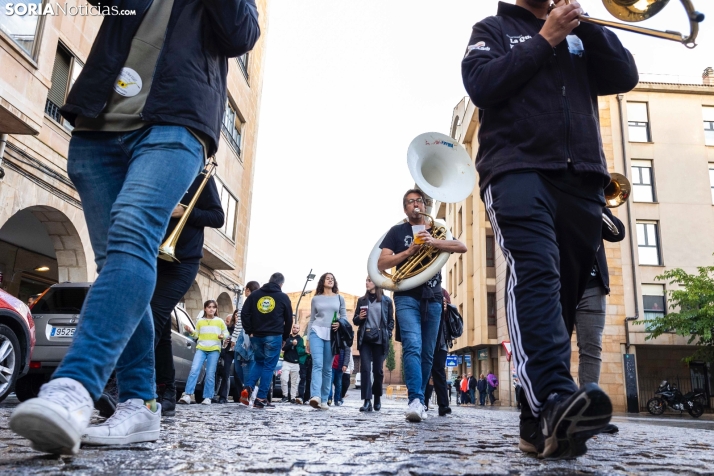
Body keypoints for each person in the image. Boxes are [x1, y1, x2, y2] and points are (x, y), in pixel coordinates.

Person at [10, 0, 260, 455]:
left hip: (176, 121)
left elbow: (241, 34)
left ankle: (73, 387)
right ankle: (139, 404)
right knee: (117, 269)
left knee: (129, 239)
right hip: (98, 123)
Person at [461, 0, 638, 459]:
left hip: (582, 179)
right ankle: (558, 396)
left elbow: (624, 75)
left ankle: (536, 427)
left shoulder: (583, 32)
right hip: (516, 170)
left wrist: (584, 26)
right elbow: (482, 85)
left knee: (560, 301)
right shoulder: (493, 28)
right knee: (536, 276)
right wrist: (545, 39)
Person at [378, 189, 467, 423]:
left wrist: (434, 241)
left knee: (428, 353)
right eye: (410, 202)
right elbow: (382, 263)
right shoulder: (397, 232)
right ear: (405, 208)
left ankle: (422, 401)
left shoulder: (437, 228)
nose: (416, 204)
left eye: (419, 200)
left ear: (425, 205)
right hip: (406, 295)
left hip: (434, 297)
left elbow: (462, 247)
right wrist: (409, 251)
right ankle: (415, 400)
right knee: (413, 346)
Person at [575, 207, 625, 434]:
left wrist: (596, 202)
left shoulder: (592, 205)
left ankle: (589, 415)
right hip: (559, 286)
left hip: (592, 289)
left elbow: (618, 232)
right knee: (554, 348)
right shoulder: (554, 193)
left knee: (592, 350)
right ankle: (553, 410)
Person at [240, 273, 293, 409]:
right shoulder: (283, 297)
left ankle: (248, 387)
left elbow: (244, 313)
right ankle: (261, 397)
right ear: (281, 284)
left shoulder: (255, 295)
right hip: (274, 336)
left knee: (259, 362)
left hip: (256, 336)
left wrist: (249, 330)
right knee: (269, 366)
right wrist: (285, 338)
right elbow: (289, 320)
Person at [353, 276, 394, 413]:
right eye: (366, 280)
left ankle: (377, 397)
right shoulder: (361, 300)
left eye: (369, 280)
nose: (367, 282)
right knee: (365, 369)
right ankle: (366, 401)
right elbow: (355, 320)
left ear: (376, 282)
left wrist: (388, 334)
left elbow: (390, 321)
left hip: (379, 339)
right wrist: (360, 318)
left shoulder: (386, 301)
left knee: (378, 371)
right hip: (365, 338)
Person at [306, 273, 347, 410]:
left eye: (332, 279)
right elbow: (312, 319)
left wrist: (340, 324)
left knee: (328, 368)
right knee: (317, 364)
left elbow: (344, 317)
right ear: (322, 281)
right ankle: (315, 396)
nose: (330, 280)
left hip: (332, 334)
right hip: (316, 332)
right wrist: (307, 339)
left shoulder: (339, 298)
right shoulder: (316, 299)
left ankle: (324, 400)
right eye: (328, 278)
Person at [177, 300, 228, 405]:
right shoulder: (200, 321)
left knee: (210, 373)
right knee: (194, 370)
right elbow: (196, 335)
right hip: (201, 348)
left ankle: (208, 397)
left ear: (216, 309)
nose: (211, 309)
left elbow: (226, 332)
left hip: (214, 349)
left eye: (214, 307)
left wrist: (223, 336)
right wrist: (191, 331)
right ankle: (187, 394)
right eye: (209, 307)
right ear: (205, 308)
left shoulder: (219, 321)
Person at [232, 281, 260, 391]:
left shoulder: (257, 303)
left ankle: (249, 390)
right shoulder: (245, 303)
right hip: (241, 337)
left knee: (250, 365)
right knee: (239, 367)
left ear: (247, 290)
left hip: (253, 338)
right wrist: (234, 338)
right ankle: (250, 388)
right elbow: (239, 323)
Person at [429, 288, 453, 416]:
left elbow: (450, 317)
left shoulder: (443, 293)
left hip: (441, 339)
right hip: (427, 337)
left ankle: (443, 405)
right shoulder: (421, 288)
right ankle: (423, 402)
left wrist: (446, 310)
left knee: (438, 371)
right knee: (426, 371)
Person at [215, 312, 238, 404]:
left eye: (238, 315)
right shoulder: (228, 329)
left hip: (239, 352)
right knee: (225, 373)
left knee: (238, 374)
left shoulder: (245, 328)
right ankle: (223, 397)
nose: (237, 317)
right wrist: (225, 344)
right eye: (235, 315)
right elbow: (223, 342)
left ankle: (241, 395)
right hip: (229, 352)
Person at [281, 323, 304, 404]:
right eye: (294, 327)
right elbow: (283, 348)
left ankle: (293, 397)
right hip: (286, 362)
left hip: (296, 363)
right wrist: (291, 344)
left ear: (299, 330)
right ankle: (285, 396)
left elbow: (301, 350)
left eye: (297, 328)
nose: (295, 329)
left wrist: (297, 345)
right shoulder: (287, 338)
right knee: (284, 379)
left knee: (294, 382)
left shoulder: (300, 339)